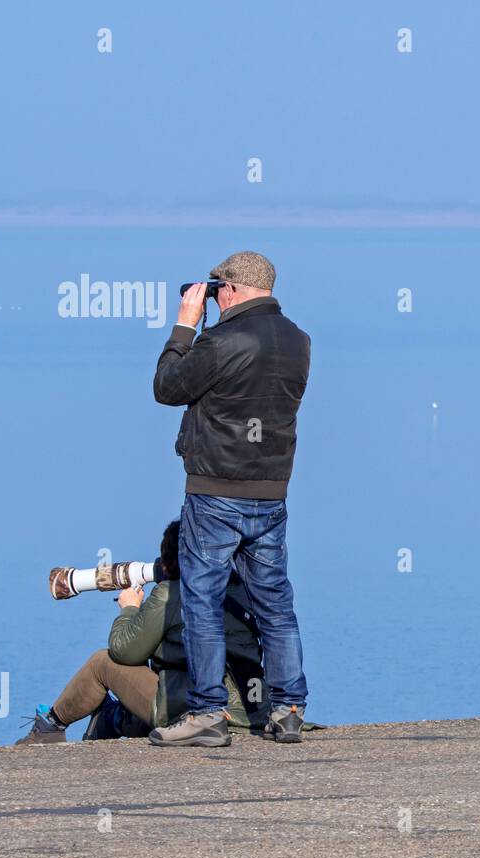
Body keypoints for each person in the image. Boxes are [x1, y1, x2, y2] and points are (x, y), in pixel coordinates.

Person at [151, 251, 311, 746]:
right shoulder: (299, 342)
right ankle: (288, 709)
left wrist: (183, 327)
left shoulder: (220, 340)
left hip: (215, 491)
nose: (214, 298)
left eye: (217, 289)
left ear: (233, 289)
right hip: (271, 491)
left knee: (202, 601)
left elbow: (167, 388)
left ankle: (207, 714)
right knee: (275, 601)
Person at [15, 521, 269, 745]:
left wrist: (129, 609)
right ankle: (112, 719)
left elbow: (124, 651)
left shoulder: (172, 594)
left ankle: (50, 727)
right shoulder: (242, 588)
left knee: (101, 663)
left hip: (196, 707)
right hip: (251, 706)